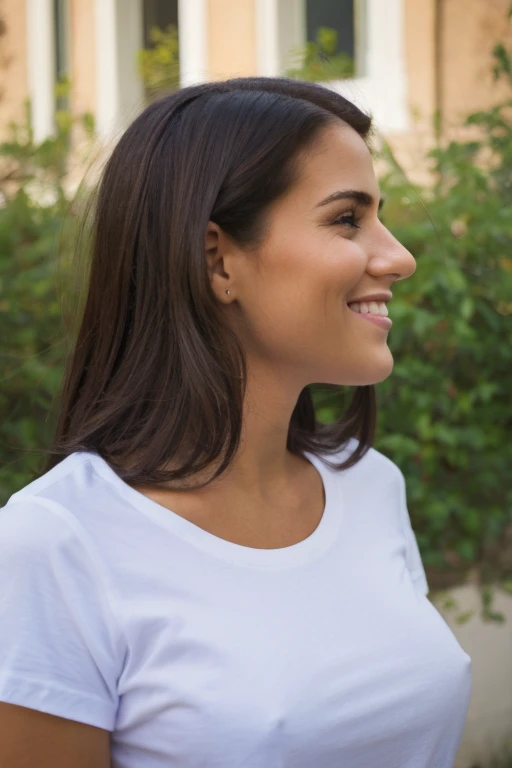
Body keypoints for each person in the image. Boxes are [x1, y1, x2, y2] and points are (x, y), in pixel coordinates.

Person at [0, 77, 471, 768]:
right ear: (218, 258)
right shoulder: (56, 544)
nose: (397, 256)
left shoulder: (371, 486)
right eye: (347, 219)